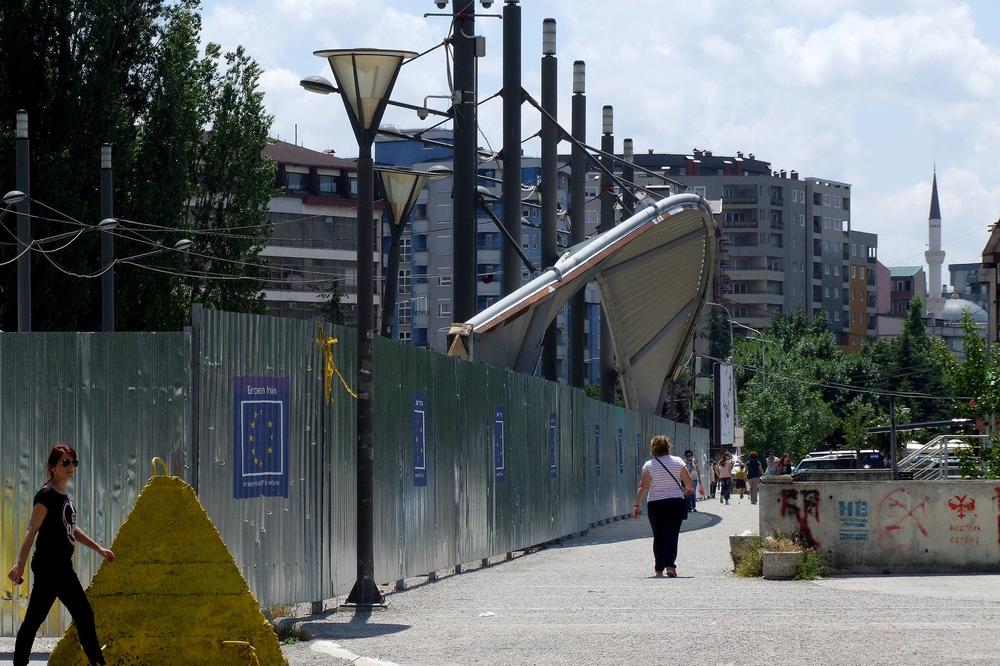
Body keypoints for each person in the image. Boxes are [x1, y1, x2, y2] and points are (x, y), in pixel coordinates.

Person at [8, 444, 115, 666]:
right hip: (51, 567)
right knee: (82, 614)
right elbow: (31, 530)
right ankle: (98, 663)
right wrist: (19, 564)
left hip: (61, 566)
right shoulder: (46, 495)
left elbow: (71, 528)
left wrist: (99, 549)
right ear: (52, 467)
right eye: (65, 462)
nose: (70, 467)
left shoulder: (63, 495)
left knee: (36, 619)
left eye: (73, 462)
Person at [632, 435, 693, 578]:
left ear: (653, 448)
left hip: (655, 503)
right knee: (672, 535)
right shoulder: (678, 461)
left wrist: (636, 504)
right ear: (668, 446)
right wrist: (689, 489)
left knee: (658, 536)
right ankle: (670, 566)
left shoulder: (649, 465)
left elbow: (643, 486)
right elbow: (688, 479)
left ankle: (659, 568)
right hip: (675, 502)